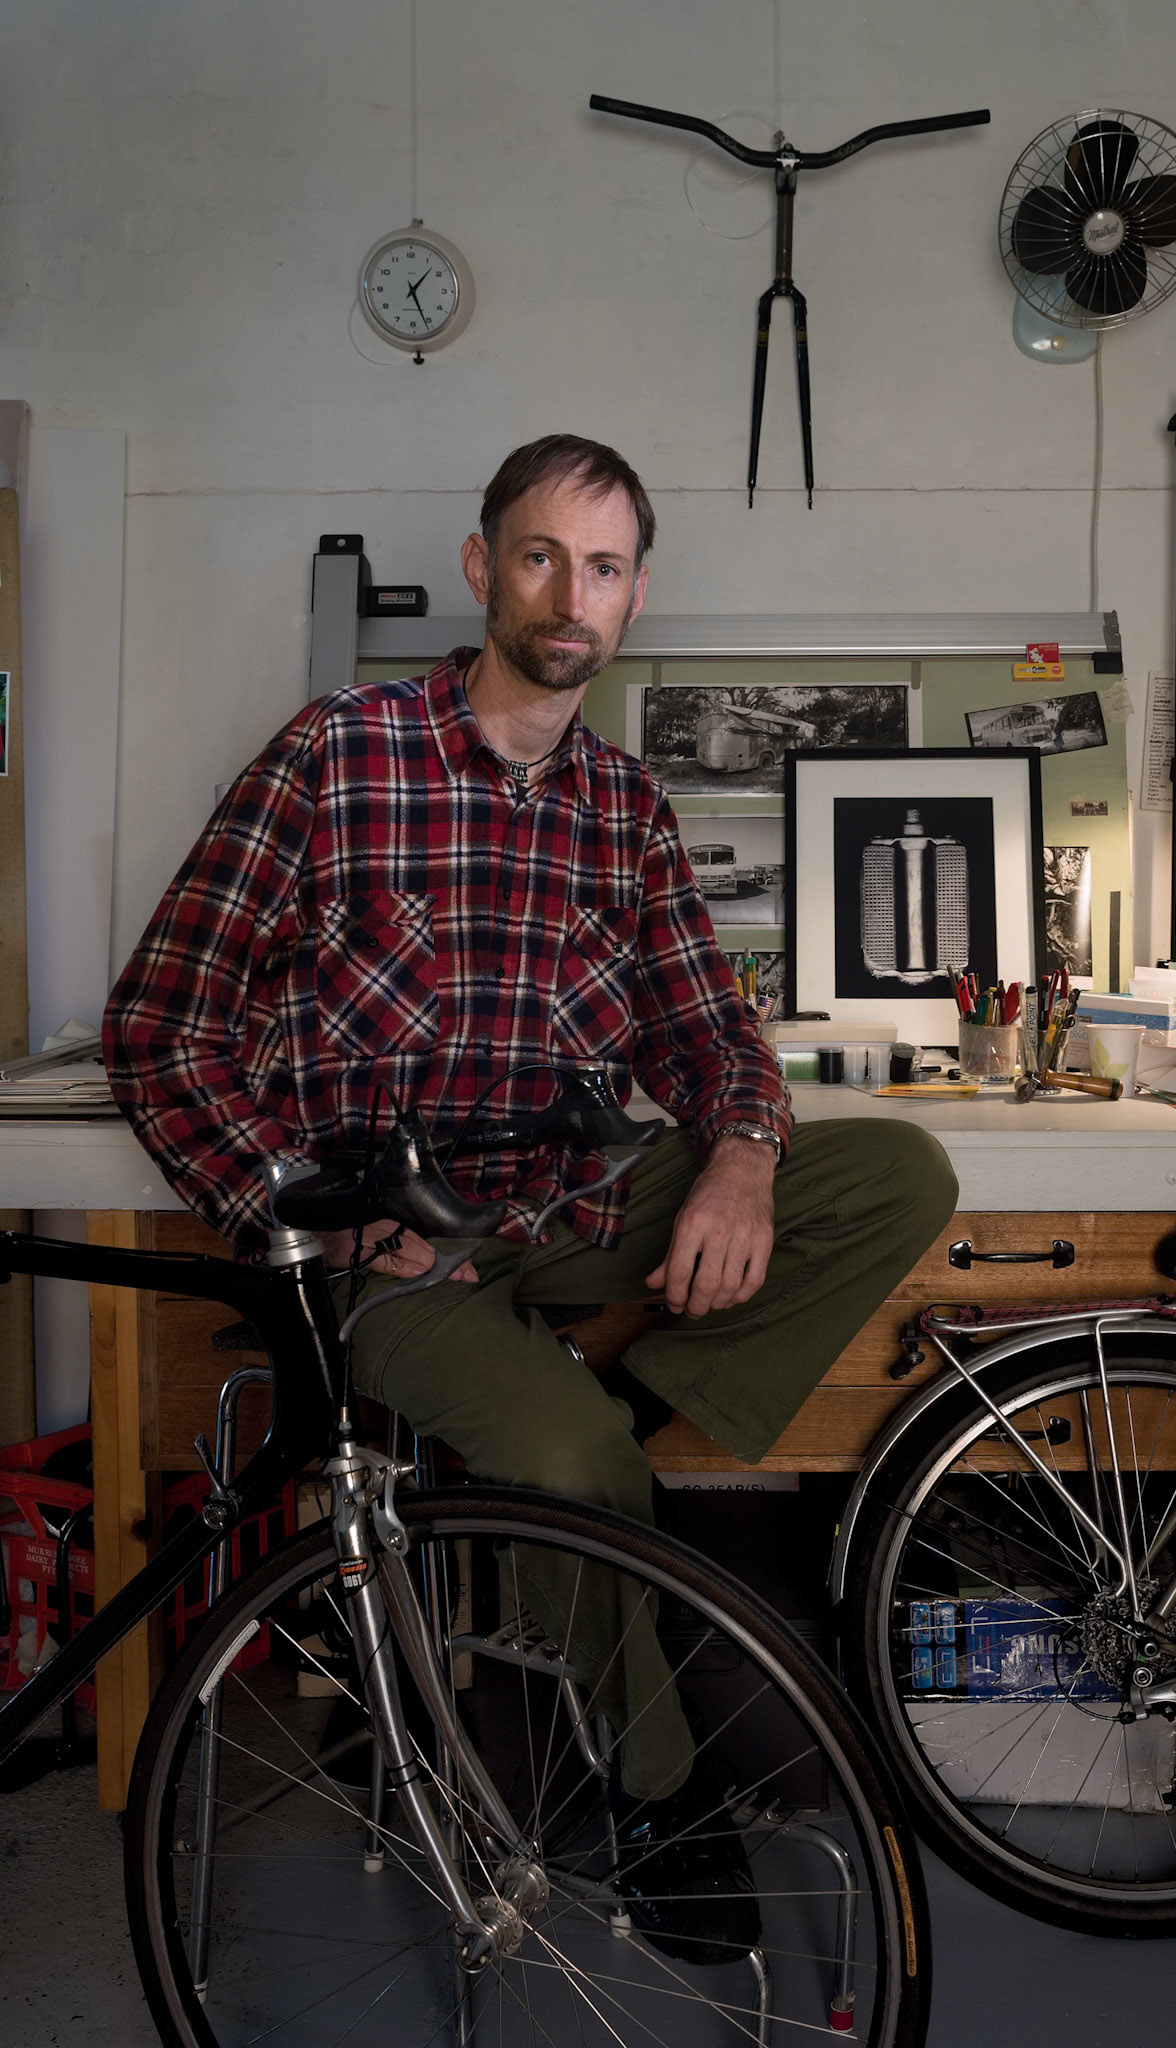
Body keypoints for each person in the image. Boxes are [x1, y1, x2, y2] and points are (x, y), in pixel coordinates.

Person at [104, 433, 959, 1965]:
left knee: (896, 1167)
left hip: (571, 1213)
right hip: (396, 1253)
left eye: (608, 565)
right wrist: (301, 1207)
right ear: (490, 563)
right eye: (547, 555)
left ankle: (614, 1416)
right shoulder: (334, 753)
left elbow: (705, 1034)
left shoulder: (623, 810)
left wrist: (749, 1153)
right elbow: (160, 1027)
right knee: (575, 1468)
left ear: (637, 597)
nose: (575, 593)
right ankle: (657, 1789)